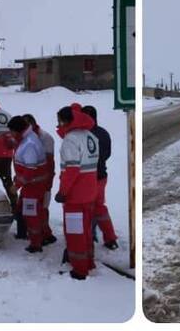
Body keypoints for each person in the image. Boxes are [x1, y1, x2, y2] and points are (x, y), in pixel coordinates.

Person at [56, 103, 100, 280]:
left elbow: (72, 170)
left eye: (59, 121)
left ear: (66, 121)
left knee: (75, 233)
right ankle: (89, 262)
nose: (58, 125)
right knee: (87, 231)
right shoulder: (90, 136)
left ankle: (80, 270)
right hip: (90, 191)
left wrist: (63, 192)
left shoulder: (70, 140)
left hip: (75, 195)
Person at [7, 116, 49, 252]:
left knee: (31, 215)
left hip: (33, 186)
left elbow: (30, 169)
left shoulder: (29, 144)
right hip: (32, 185)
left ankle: (36, 243)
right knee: (32, 212)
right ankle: (40, 237)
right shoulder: (26, 139)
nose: (11, 134)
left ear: (18, 130)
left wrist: (17, 185)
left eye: (11, 131)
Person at [81, 105, 118, 249]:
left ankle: (89, 236)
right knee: (99, 207)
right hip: (101, 175)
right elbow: (107, 154)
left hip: (88, 178)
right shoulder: (103, 133)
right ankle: (109, 238)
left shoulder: (84, 135)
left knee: (88, 207)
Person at [24, 113, 57, 244]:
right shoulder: (26, 137)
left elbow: (49, 163)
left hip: (42, 180)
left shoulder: (45, 138)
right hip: (31, 181)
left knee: (41, 209)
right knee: (32, 210)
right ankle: (39, 234)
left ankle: (44, 235)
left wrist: (47, 182)